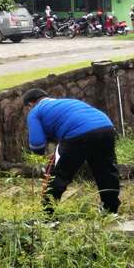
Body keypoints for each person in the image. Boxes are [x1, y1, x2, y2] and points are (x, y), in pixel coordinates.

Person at [23, 88, 120, 216]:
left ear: (30, 104)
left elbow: (37, 144)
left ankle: (46, 217)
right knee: (106, 170)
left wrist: (39, 156)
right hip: (106, 128)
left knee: (59, 174)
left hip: (78, 134)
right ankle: (110, 210)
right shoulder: (66, 102)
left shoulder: (35, 111)